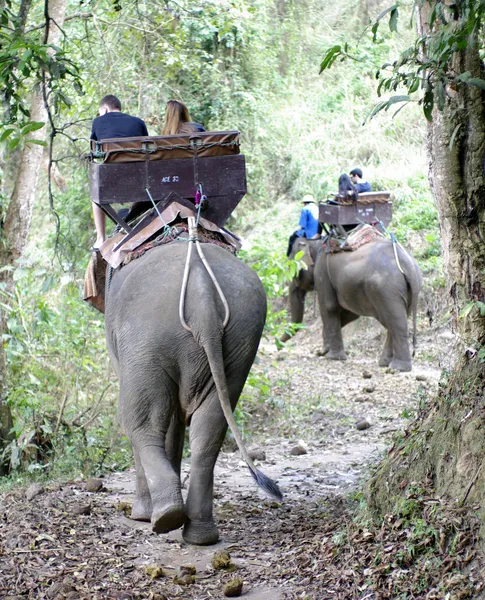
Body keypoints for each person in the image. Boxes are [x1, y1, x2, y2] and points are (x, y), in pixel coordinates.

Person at [90, 95, 149, 251]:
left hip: (111, 179)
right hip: (139, 179)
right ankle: (131, 217)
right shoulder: (138, 122)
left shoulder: (98, 122)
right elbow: (147, 148)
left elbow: (93, 149)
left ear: (104, 109)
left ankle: (100, 238)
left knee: (95, 193)